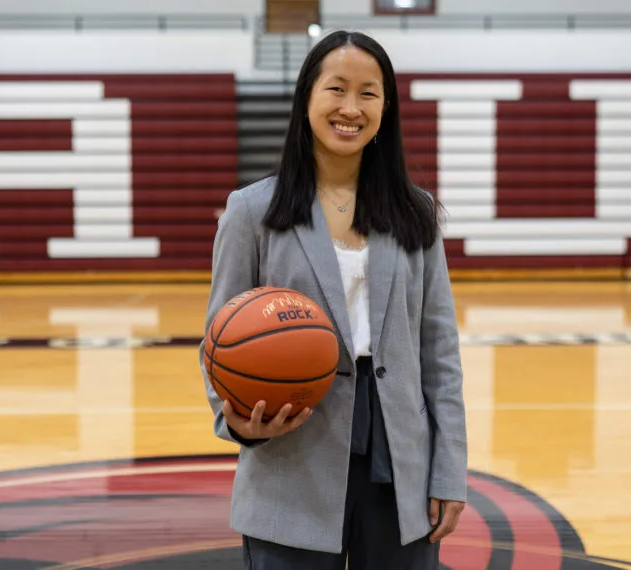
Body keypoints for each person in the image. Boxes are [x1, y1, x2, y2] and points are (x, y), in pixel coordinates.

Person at [199, 29, 467, 569]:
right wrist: (237, 421)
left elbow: (439, 354)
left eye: (368, 92)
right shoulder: (252, 212)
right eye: (336, 89)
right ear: (307, 99)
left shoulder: (417, 212)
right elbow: (219, 340)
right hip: (290, 452)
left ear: (386, 108)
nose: (351, 107)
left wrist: (449, 470)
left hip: (399, 460)